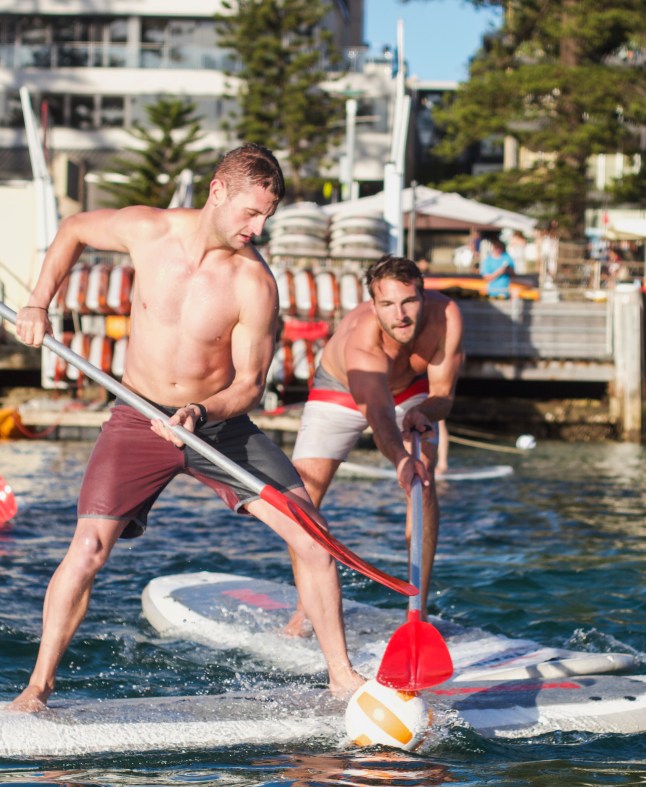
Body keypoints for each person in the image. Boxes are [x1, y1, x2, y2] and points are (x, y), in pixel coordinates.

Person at [9, 143, 363, 711]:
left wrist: (202, 413)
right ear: (217, 192)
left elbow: (250, 384)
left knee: (312, 538)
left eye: (267, 216)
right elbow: (74, 228)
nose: (259, 227)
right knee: (88, 548)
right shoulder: (148, 231)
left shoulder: (255, 283)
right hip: (136, 415)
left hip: (217, 427)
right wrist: (38, 303)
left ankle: (343, 679)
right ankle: (37, 689)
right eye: (251, 212)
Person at [287, 256, 464, 634]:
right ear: (372, 305)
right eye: (387, 304)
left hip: (412, 389)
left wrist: (427, 411)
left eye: (409, 302)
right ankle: (305, 611)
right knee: (301, 499)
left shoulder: (446, 316)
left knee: (423, 482)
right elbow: (380, 417)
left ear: (423, 294)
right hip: (342, 391)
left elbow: (444, 395)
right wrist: (399, 457)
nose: (399, 315)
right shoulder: (363, 342)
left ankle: (418, 612)